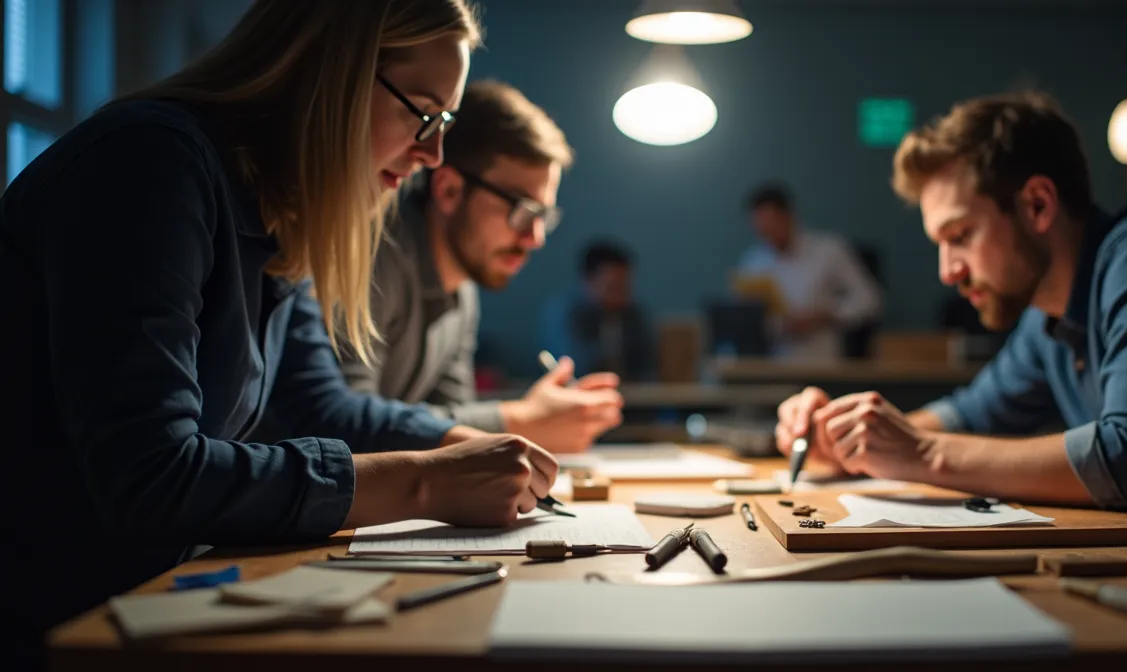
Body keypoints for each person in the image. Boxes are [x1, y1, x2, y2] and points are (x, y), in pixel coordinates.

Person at [1, 1, 559, 664]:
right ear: (333, 73)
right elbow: (150, 477)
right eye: (421, 110)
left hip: (145, 604)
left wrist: (465, 447)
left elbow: (321, 405)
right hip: (48, 623)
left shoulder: (277, 211)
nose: (434, 152)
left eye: (444, 121)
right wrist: (427, 481)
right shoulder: (149, 162)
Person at [775, 92, 1127, 577]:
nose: (948, 271)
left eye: (960, 236)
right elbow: (970, 413)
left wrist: (922, 453)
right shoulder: (1048, 316)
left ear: (1036, 204)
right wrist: (843, 437)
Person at [293, 80, 623, 454]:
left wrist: (531, 419)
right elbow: (336, 432)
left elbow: (450, 428)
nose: (535, 238)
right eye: (523, 210)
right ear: (449, 190)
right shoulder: (372, 257)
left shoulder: (461, 289)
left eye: (543, 216)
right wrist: (519, 421)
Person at [736, 182, 883, 361]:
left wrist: (826, 314)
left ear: (788, 217)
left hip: (822, 361)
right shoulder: (753, 262)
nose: (769, 237)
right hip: (773, 364)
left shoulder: (829, 250)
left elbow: (870, 300)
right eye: (763, 231)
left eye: (772, 228)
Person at [540, 240, 658, 382]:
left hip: (632, 400)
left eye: (625, 287)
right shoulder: (566, 315)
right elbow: (575, 366)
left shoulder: (634, 315)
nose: (621, 295)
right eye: (612, 287)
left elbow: (648, 368)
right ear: (588, 281)